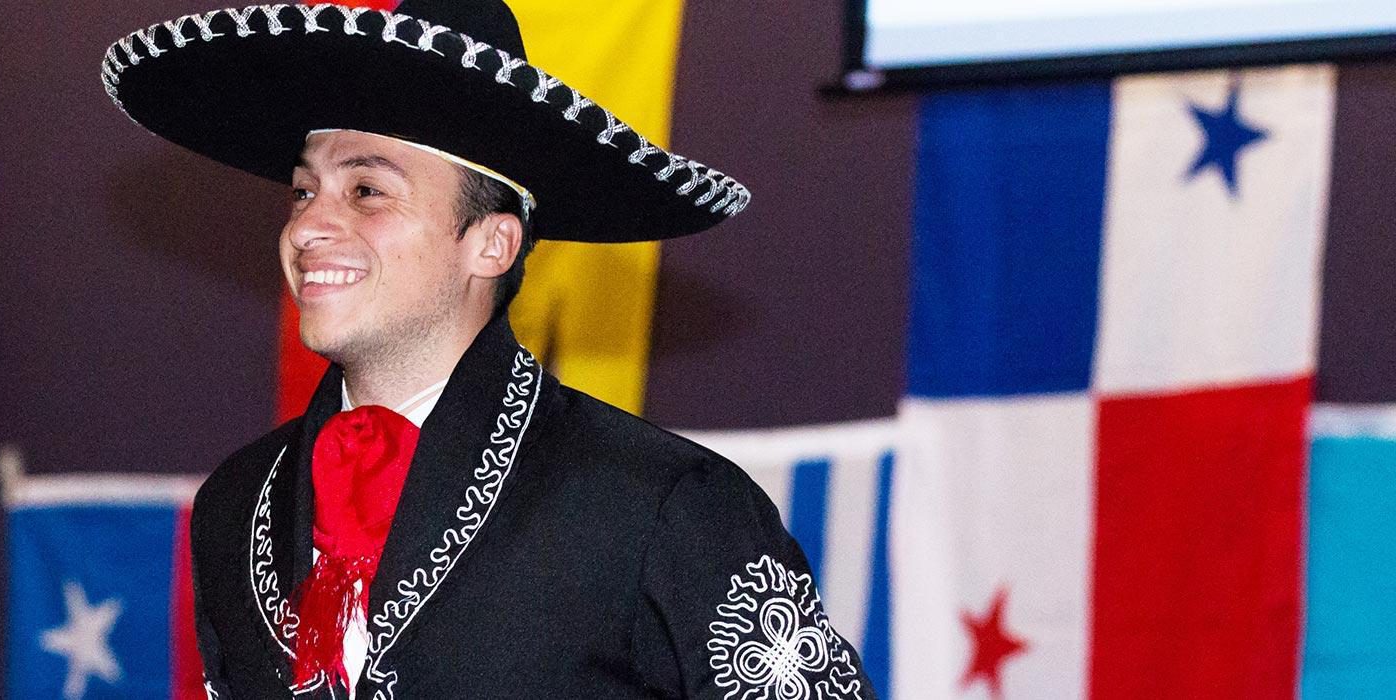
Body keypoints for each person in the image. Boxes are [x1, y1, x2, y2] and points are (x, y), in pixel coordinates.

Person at [100, 1, 876, 697]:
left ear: (492, 243)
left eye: (366, 191)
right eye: (304, 192)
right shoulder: (236, 505)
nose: (306, 228)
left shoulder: (662, 505)